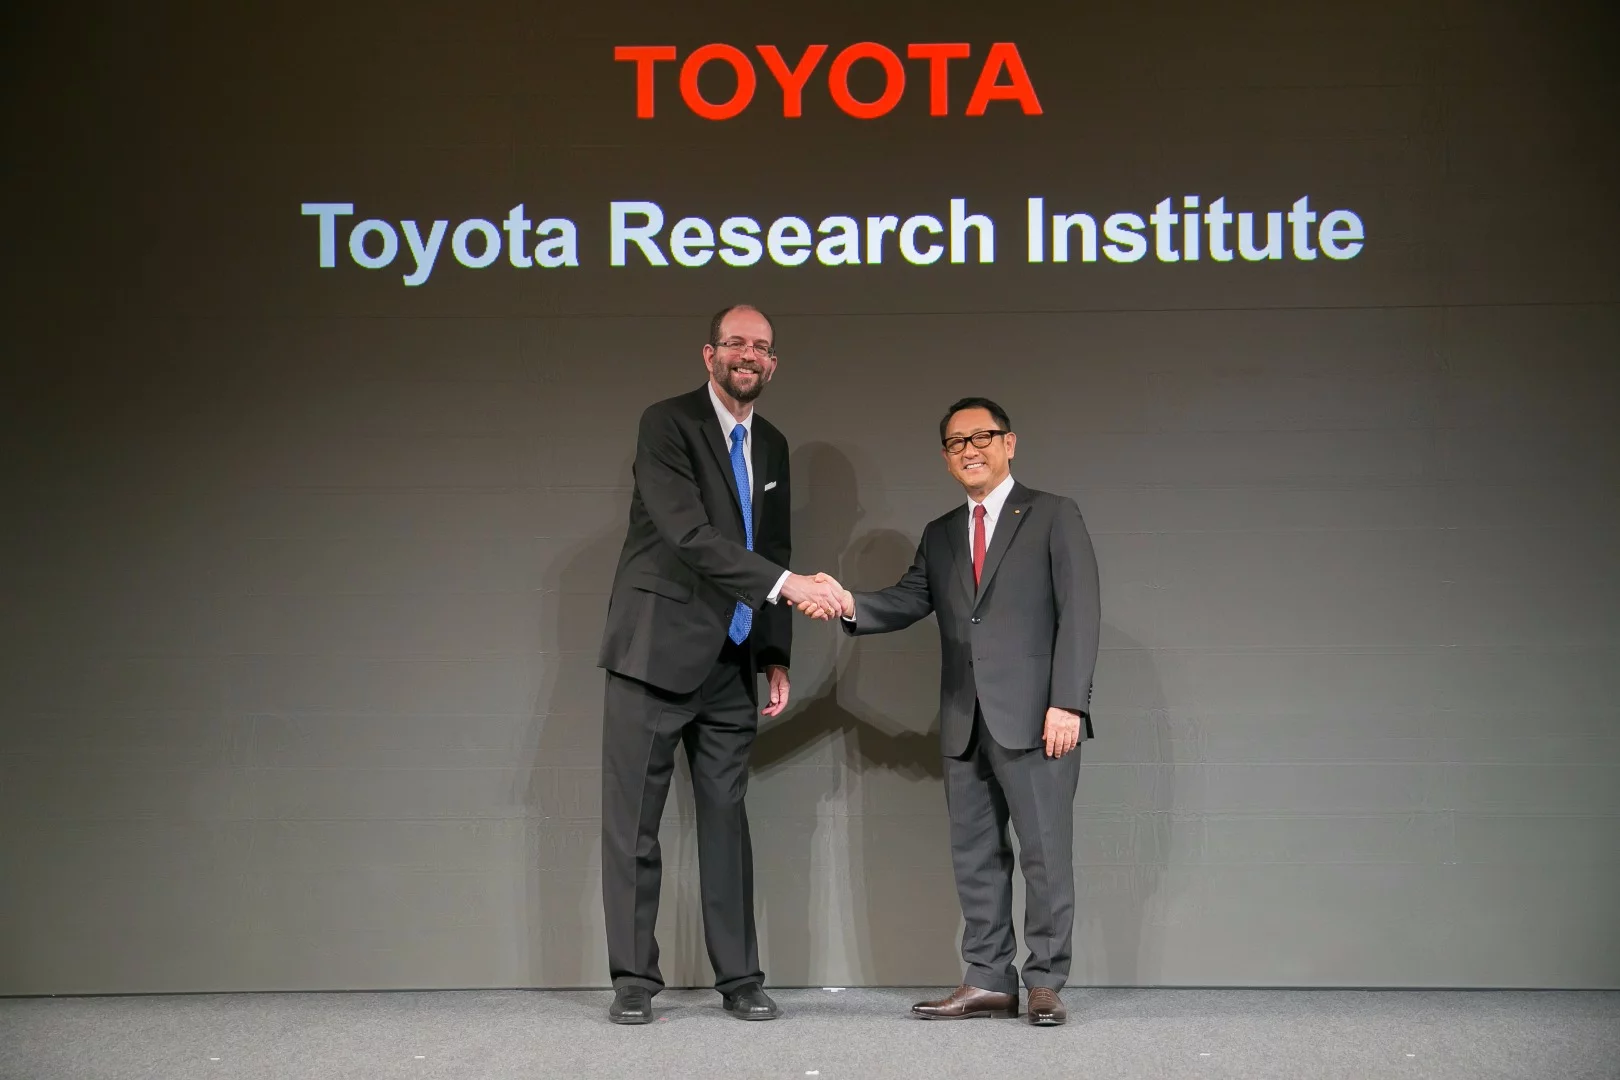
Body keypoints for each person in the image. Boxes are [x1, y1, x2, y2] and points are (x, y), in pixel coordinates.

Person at [805, 397, 1100, 1026]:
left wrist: (1067, 702)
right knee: (975, 856)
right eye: (957, 442)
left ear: (1010, 443)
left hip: (1037, 719)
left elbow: (1080, 612)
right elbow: (910, 599)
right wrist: (847, 601)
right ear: (946, 459)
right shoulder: (941, 533)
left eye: (983, 436)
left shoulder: (1052, 515)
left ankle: (1045, 980)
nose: (971, 448)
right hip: (965, 722)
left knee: (1045, 853)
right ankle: (989, 979)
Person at [596, 304, 843, 1025]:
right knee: (632, 826)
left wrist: (772, 650)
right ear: (709, 355)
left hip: (731, 661)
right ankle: (634, 981)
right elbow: (688, 534)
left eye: (761, 347)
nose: (748, 354)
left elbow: (772, 546)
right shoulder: (665, 424)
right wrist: (789, 591)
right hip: (652, 653)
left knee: (727, 824)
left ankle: (740, 979)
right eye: (735, 342)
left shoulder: (771, 444)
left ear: (773, 364)